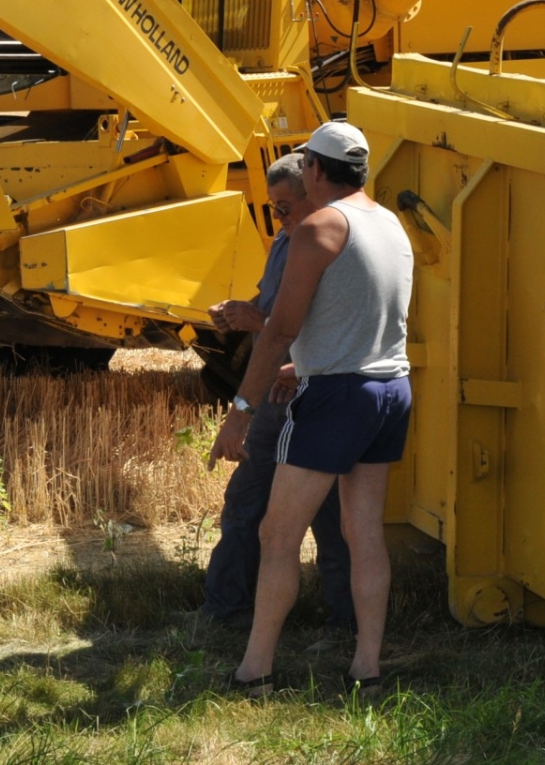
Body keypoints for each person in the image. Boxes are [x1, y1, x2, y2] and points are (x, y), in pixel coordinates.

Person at [211, 121, 413, 695]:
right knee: (364, 532)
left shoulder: (319, 227)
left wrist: (240, 410)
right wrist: (307, 364)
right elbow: (370, 321)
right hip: (391, 389)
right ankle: (367, 668)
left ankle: (255, 672)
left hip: (336, 398)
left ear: (316, 172)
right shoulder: (391, 224)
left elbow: (279, 330)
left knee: (278, 534)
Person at [201, 153, 353, 634]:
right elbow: (273, 313)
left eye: (285, 206)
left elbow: (315, 331)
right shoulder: (286, 243)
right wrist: (242, 311)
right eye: (273, 209)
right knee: (249, 501)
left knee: (327, 516)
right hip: (278, 392)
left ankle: (343, 621)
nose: (279, 218)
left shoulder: (338, 247)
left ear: (315, 192)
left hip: (310, 394)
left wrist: (259, 324)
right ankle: (227, 608)